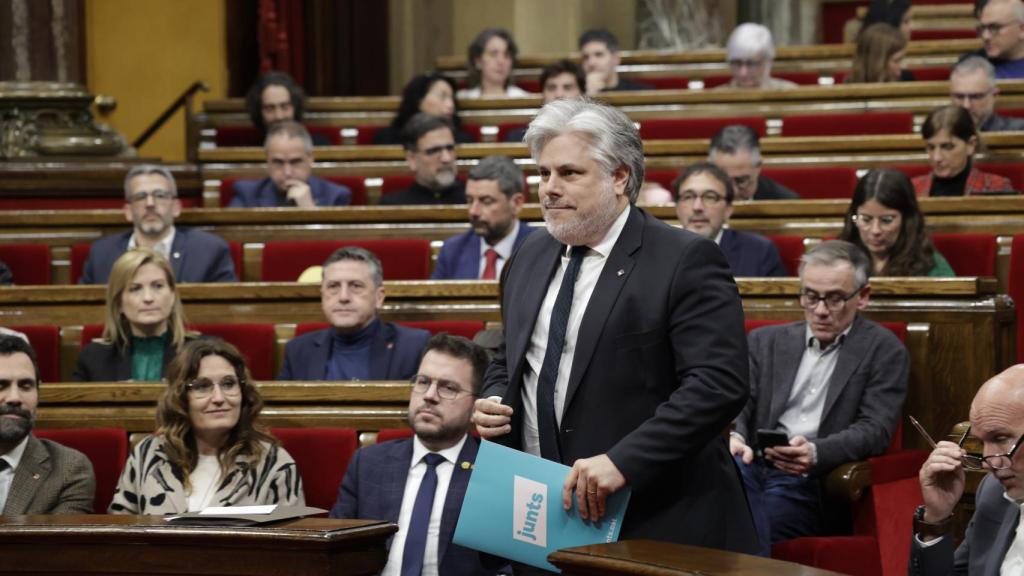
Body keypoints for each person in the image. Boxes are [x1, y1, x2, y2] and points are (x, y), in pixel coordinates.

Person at [472, 99, 759, 554]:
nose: (549, 188)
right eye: (543, 173)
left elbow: (718, 385)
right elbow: (511, 353)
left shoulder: (683, 259)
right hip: (541, 510)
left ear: (620, 177)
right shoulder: (528, 254)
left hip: (655, 516)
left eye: (569, 173)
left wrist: (623, 461)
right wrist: (492, 397)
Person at [730, 240, 909, 555]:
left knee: (750, 521)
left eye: (836, 298)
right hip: (748, 464)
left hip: (810, 481)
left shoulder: (884, 349)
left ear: (862, 296)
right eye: (811, 296)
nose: (821, 310)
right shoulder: (766, 341)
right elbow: (740, 400)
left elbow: (875, 430)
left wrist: (815, 452)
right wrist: (736, 435)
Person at [330, 334, 496, 575]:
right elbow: (335, 551)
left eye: (448, 388)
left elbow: (509, 566)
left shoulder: (492, 471)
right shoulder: (368, 463)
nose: (429, 395)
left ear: (475, 407)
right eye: (422, 381)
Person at [109, 339, 304, 514]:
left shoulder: (274, 462)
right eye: (202, 386)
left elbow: (294, 545)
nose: (219, 398)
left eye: (229, 384)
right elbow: (119, 533)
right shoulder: (149, 454)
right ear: (181, 397)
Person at [909, 363, 1024, 574]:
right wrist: (936, 518)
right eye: (982, 443)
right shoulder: (993, 493)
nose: (988, 463)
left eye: (1001, 438)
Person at [278, 246, 430, 381]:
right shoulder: (298, 350)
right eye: (333, 286)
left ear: (379, 297)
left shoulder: (414, 346)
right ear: (322, 295)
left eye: (356, 286)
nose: (343, 297)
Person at [80, 165, 237, 284]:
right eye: (141, 196)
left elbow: (226, 313)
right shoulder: (101, 254)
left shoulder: (209, 251)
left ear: (176, 207)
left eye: (160, 195)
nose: (150, 203)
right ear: (128, 211)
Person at [0, 334, 95, 515]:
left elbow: (59, 544)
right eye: (0, 385)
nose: (14, 398)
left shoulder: (69, 469)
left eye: (25, 386)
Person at [74, 249, 195, 382]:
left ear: (172, 295)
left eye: (158, 286)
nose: (148, 298)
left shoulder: (201, 353)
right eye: (135, 289)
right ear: (119, 302)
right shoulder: (93, 358)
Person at [672, 162, 787, 277]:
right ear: (677, 207)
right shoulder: (659, 250)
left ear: (728, 209)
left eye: (710, 197)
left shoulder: (759, 253)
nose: (697, 207)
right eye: (688, 197)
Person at [432, 156, 535, 280]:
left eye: (486, 201)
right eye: (470, 200)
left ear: (516, 204)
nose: (473, 211)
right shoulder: (452, 251)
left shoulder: (541, 250)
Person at [839, 169, 955, 276]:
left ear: (907, 220)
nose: (875, 230)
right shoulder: (839, 259)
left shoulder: (932, 267)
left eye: (887, 220)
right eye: (866, 220)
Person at [229, 121, 352, 208]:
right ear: (267, 161)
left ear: (310, 159)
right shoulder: (247, 194)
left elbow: (335, 243)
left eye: (295, 161)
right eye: (278, 162)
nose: (287, 172)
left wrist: (310, 212)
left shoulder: (336, 196)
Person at [912, 105, 1015, 196]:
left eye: (947, 147)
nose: (936, 157)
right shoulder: (912, 190)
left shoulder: (996, 187)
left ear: (970, 145)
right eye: (931, 147)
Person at [380, 114, 467, 206]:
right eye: (434, 151)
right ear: (412, 159)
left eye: (450, 148)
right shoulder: (393, 207)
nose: (446, 158)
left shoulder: (474, 202)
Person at [373, 73, 474, 145]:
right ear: (419, 101)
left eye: (452, 98)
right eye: (442, 97)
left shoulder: (462, 140)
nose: (451, 105)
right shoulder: (387, 138)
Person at [708, 125, 800, 200]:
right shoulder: (696, 200)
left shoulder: (784, 202)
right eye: (724, 179)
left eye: (741, 181)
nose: (733, 191)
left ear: (758, 167)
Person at [504, 60, 585, 143]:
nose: (559, 94)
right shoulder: (518, 138)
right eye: (551, 88)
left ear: (582, 94)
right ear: (543, 94)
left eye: (567, 87)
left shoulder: (594, 136)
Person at [244, 70, 329, 146]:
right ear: (259, 112)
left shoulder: (319, 146)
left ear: (295, 108)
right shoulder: (248, 152)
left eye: (285, 107)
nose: (279, 116)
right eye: (270, 108)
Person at [950, 56, 1024, 131]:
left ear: (994, 96)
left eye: (975, 97)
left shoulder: (1019, 131)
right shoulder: (940, 133)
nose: (966, 105)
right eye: (959, 97)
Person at [718, 23, 798, 90]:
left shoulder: (791, 93)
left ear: (767, 61)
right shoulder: (715, 97)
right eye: (737, 63)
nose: (743, 73)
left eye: (751, 64)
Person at [456, 28, 529, 99]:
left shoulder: (525, 100)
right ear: (478, 61)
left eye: (506, 55)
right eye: (493, 54)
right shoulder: (462, 99)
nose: (501, 61)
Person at [577, 29, 654, 94]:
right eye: (585, 57)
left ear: (615, 58)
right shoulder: (575, 92)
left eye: (599, 55)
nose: (591, 62)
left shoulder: (642, 92)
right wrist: (590, 94)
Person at [975, 0, 1024, 79]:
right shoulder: (971, 64)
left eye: (995, 28)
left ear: (1022, 30)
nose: (985, 36)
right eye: (982, 28)